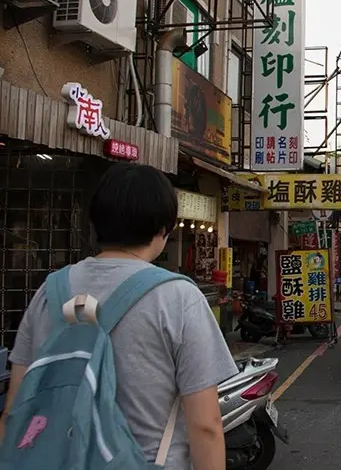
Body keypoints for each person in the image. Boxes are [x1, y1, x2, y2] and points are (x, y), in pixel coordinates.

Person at [0, 163, 237, 470]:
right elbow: (205, 425)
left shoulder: (49, 292)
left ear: (96, 221)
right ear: (163, 229)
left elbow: (15, 409)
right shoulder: (179, 298)